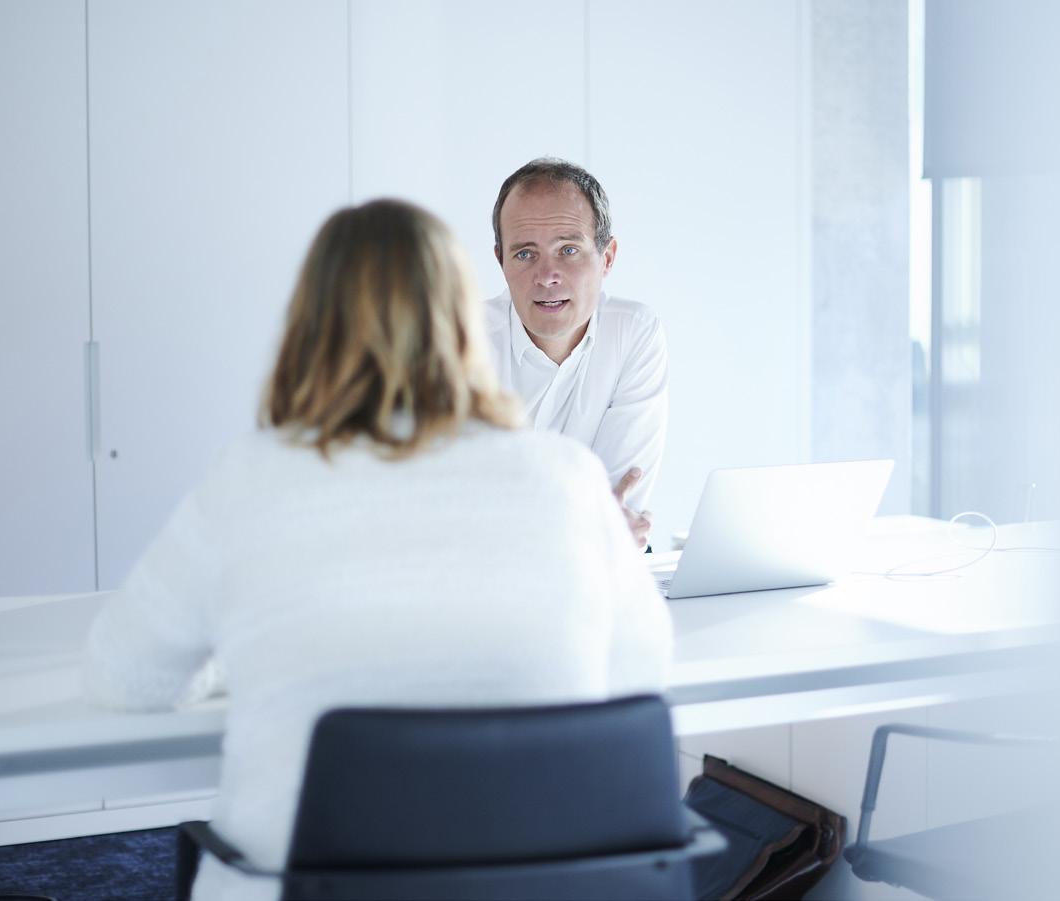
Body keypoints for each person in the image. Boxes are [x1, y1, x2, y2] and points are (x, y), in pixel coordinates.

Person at [82, 199, 672, 901]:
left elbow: (127, 675)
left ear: (309, 325)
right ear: (466, 322)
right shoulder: (567, 477)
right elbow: (641, 671)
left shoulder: (252, 477)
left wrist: (242, 653)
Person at [486, 158, 668, 549]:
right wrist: (588, 524)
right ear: (500, 260)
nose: (547, 276)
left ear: (607, 258)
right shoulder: (458, 344)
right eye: (525, 254)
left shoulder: (633, 332)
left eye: (568, 250)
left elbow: (618, 506)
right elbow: (455, 512)